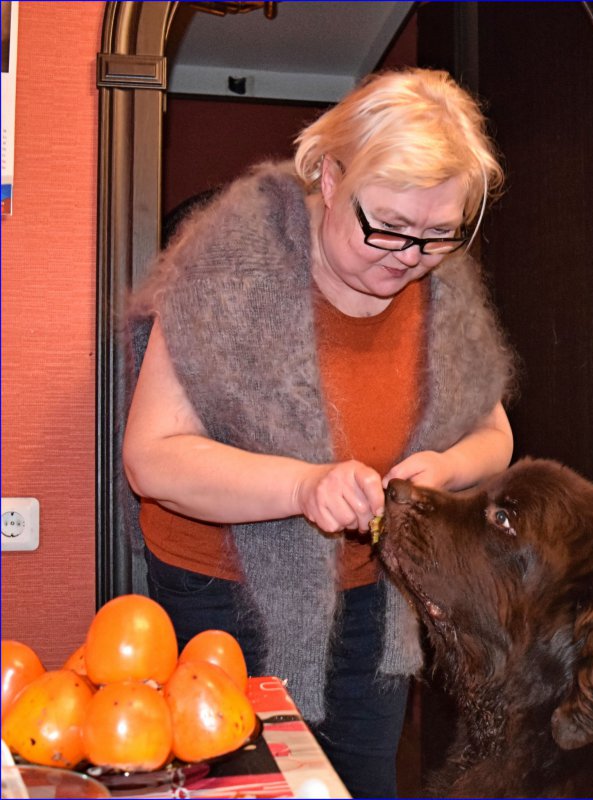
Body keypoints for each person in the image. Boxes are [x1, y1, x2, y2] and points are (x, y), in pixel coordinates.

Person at [123, 67, 516, 798]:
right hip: (221, 596)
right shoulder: (226, 265)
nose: (408, 256)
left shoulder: (445, 285)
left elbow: (495, 434)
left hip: (374, 595)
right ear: (330, 178)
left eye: (437, 234)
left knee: (363, 780)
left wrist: (446, 466)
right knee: (244, 786)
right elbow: (152, 459)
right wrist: (304, 485)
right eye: (388, 226)